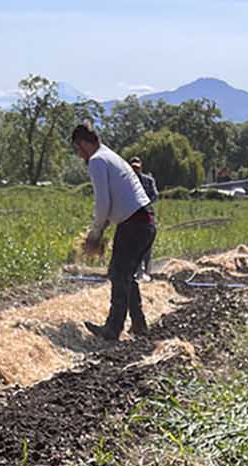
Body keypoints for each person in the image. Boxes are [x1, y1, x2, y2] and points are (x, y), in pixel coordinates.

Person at [71, 122, 156, 341]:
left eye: (77, 149)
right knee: (127, 275)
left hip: (133, 224)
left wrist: (96, 233)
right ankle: (138, 324)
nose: (79, 156)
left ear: (82, 144)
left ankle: (112, 329)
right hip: (144, 221)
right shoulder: (110, 155)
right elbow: (116, 201)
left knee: (118, 274)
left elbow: (103, 202)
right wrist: (102, 227)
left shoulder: (98, 161)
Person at [130, 156, 158, 280]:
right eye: (133, 168)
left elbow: (155, 195)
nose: (135, 170)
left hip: (146, 214)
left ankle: (147, 271)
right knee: (133, 245)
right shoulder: (126, 180)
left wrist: (144, 203)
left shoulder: (148, 181)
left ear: (141, 167)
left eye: (137, 167)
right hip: (131, 215)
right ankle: (135, 270)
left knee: (146, 244)